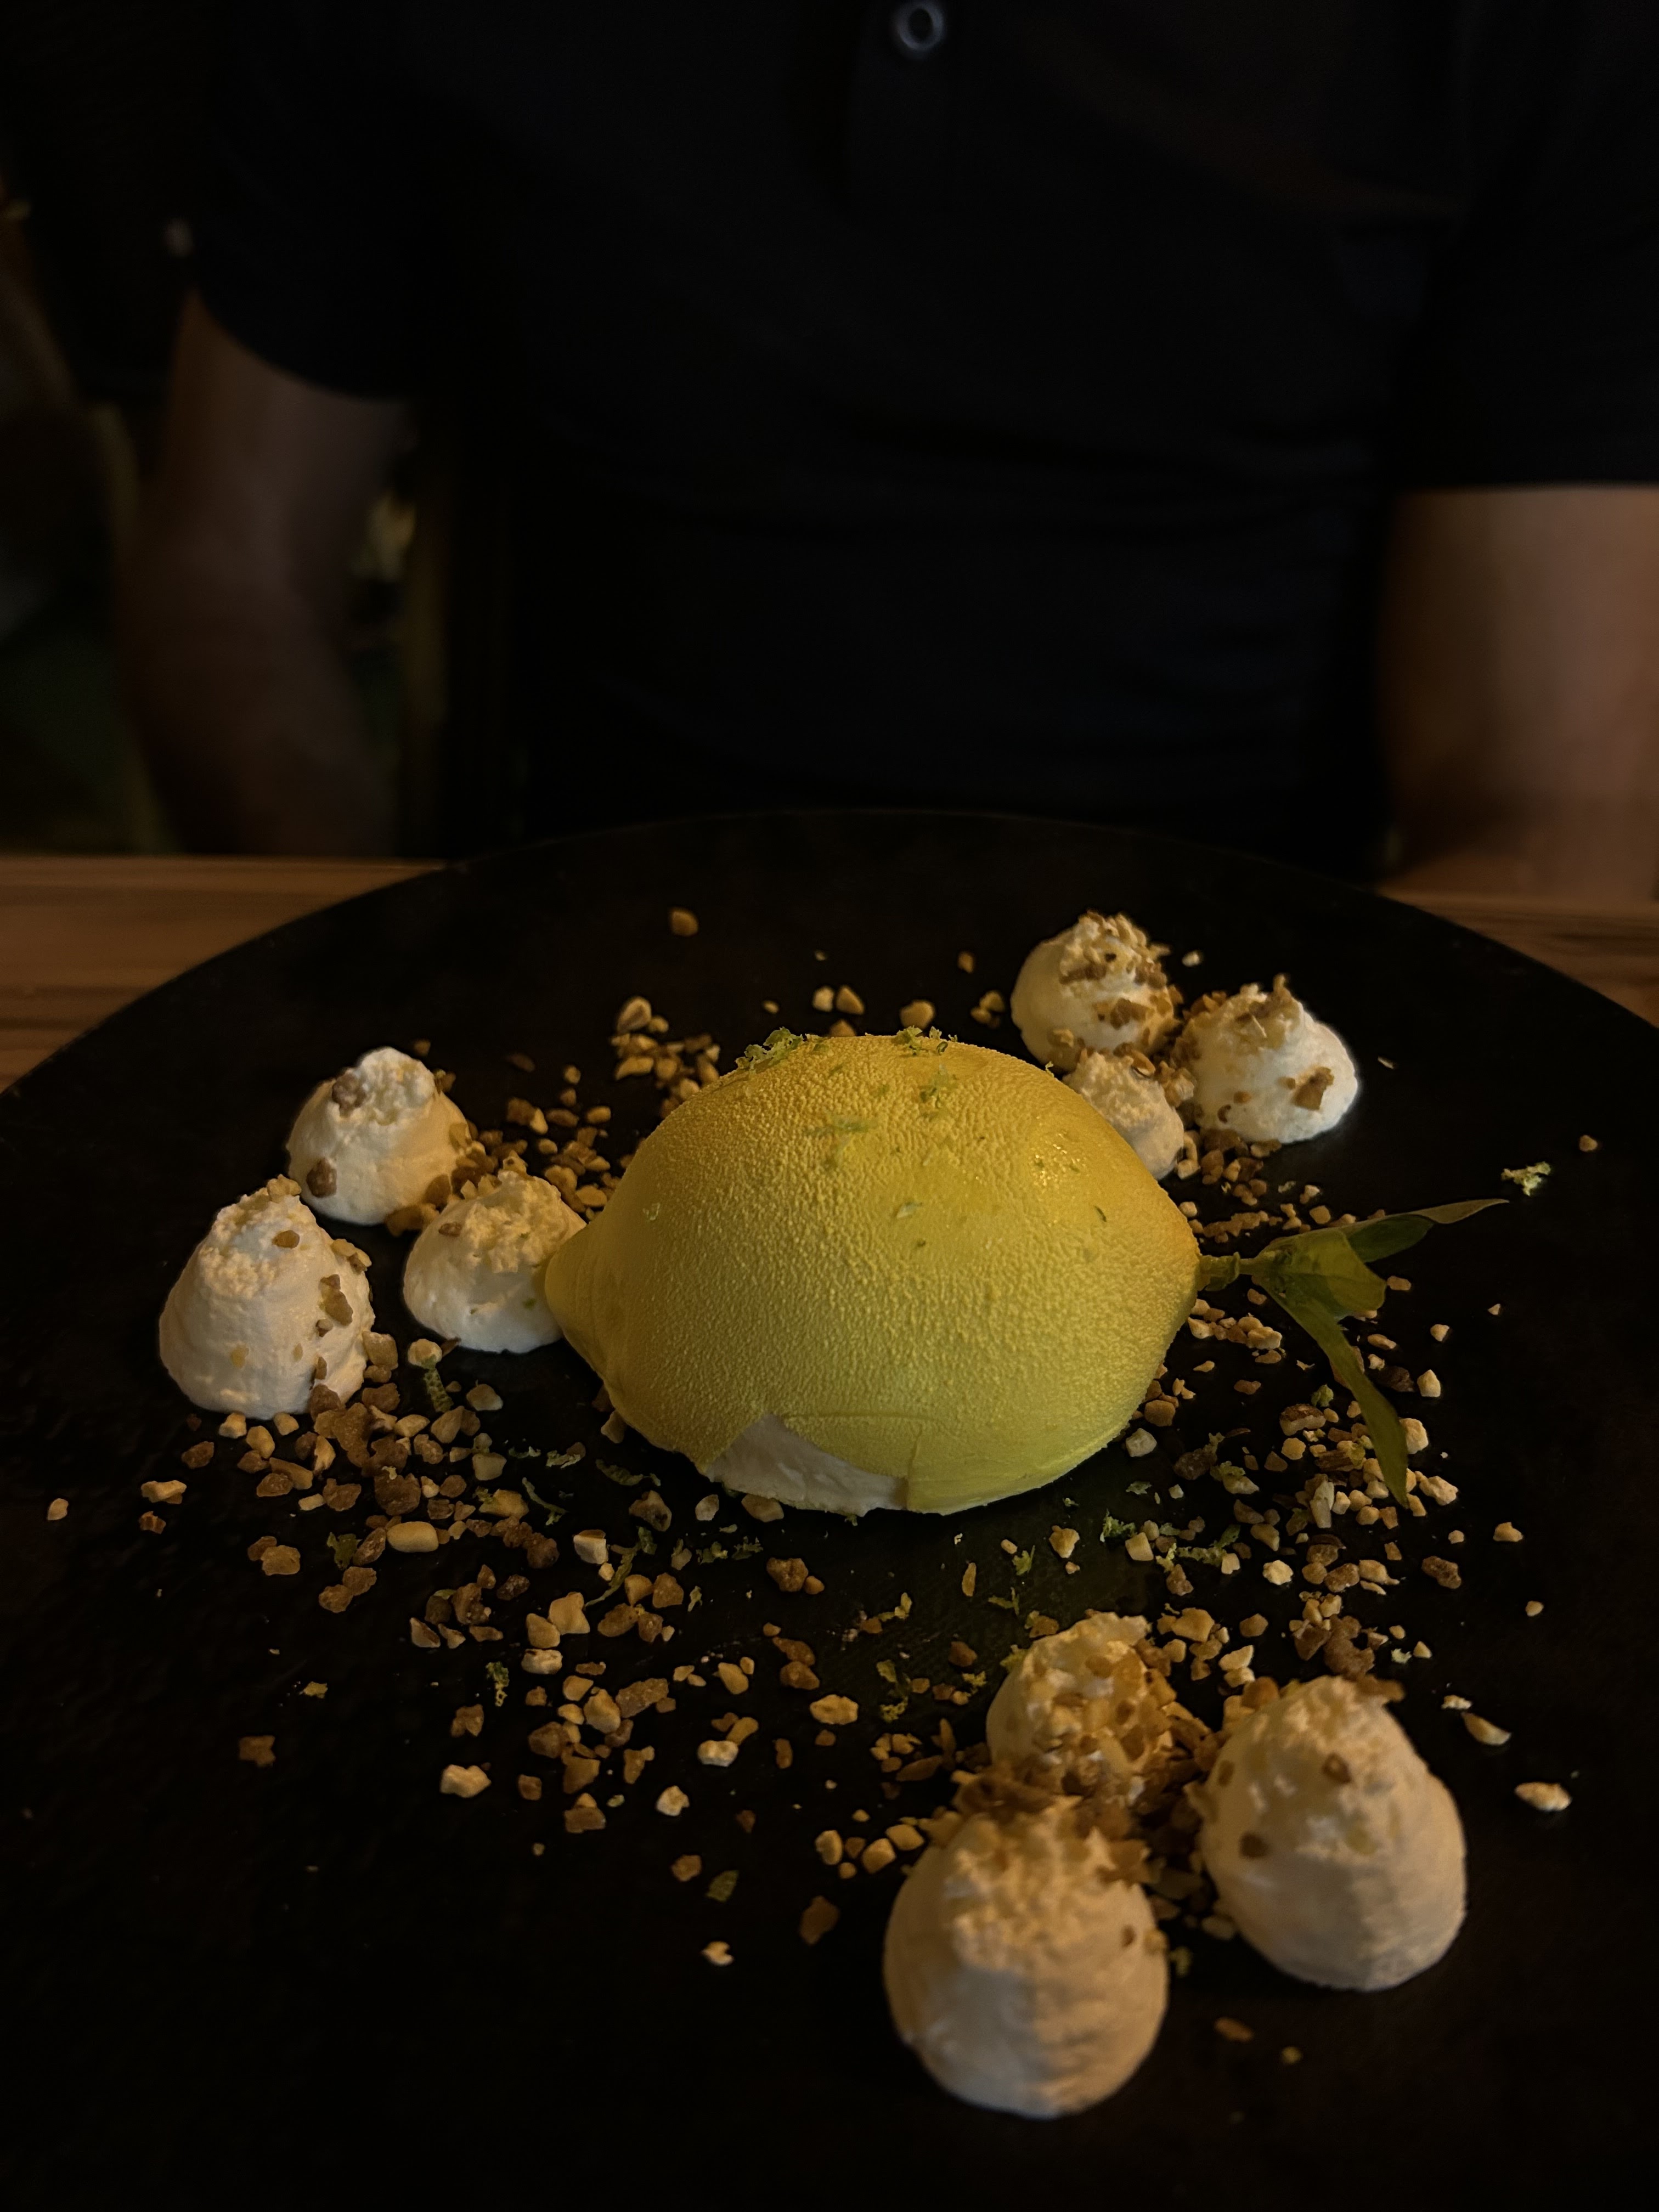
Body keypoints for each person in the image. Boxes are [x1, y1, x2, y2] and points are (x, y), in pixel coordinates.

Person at [120, 1, 1659, 892]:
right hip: (598, 977)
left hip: (1246, 1008)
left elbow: (1553, 806)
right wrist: (377, 1003)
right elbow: (233, 586)